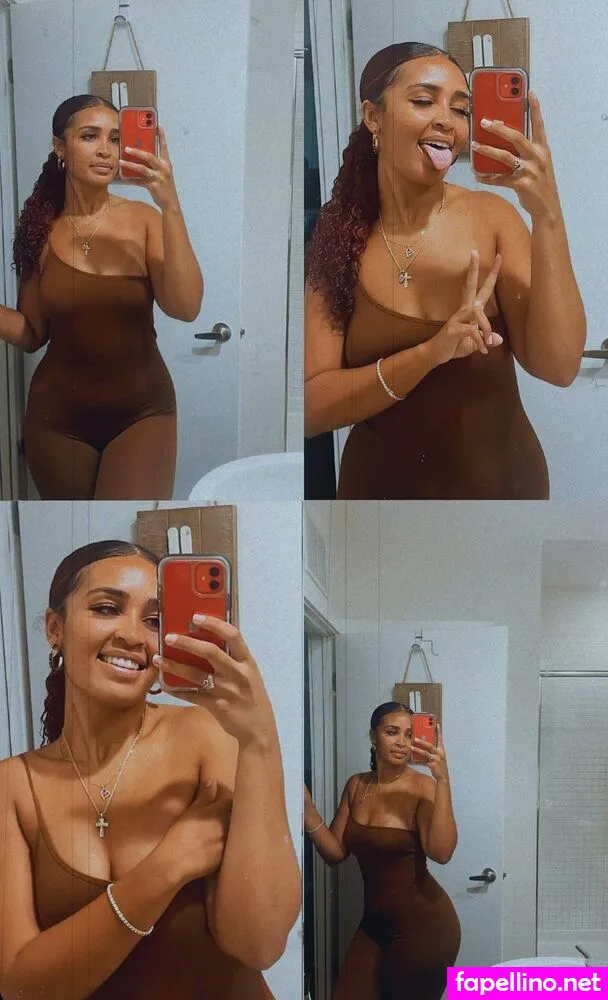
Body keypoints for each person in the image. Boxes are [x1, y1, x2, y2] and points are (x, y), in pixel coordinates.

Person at [0, 540, 300, 1000]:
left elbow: (259, 943)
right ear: (55, 629)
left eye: (155, 621)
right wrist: (168, 865)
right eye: (107, 608)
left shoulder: (205, 736)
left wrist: (260, 740)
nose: (134, 636)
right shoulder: (13, 786)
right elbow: (21, 985)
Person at [305, 43, 586, 499]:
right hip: (379, 504)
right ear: (373, 116)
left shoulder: (493, 219)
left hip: (503, 498)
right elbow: (312, 407)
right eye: (423, 100)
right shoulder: (338, 238)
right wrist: (429, 355)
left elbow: (560, 366)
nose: (447, 121)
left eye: (460, 109)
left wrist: (547, 214)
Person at [1, 94, 203, 500]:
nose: (105, 151)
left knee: (122, 519)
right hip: (56, 421)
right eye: (90, 136)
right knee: (82, 525)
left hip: (143, 413)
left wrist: (170, 205)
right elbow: (32, 333)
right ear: (60, 147)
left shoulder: (145, 220)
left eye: (115, 138)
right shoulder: (39, 229)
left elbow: (185, 307)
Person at [304, 701, 460, 1000]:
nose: (402, 742)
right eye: (392, 732)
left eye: (409, 734)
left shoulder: (423, 787)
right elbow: (335, 852)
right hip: (374, 925)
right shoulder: (356, 785)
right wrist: (308, 812)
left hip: (424, 928)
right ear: (373, 736)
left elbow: (442, 853)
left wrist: (442, 779)